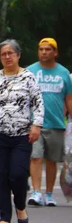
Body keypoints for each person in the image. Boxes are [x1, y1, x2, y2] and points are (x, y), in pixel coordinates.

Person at [0, 40, 44, 223]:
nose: (7, 57)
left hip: (22, 135)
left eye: (10, 53)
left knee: (18, 174)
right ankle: (4, 216)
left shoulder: (28, 77)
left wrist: (37, 125)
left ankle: (20, 206)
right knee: (1, 176)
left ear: (18, 55)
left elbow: (38, 103)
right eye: (3, 54)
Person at [27, 38, 72, 207]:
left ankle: (50, 193)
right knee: (36, 157)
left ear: (55, 52)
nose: (44, 52)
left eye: (48, 49)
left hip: (57, 123)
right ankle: (37, 192)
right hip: (35, 124)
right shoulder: (30, 71)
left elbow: (69, 99)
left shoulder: (63, 73)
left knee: (52, 160)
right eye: (41, 49)